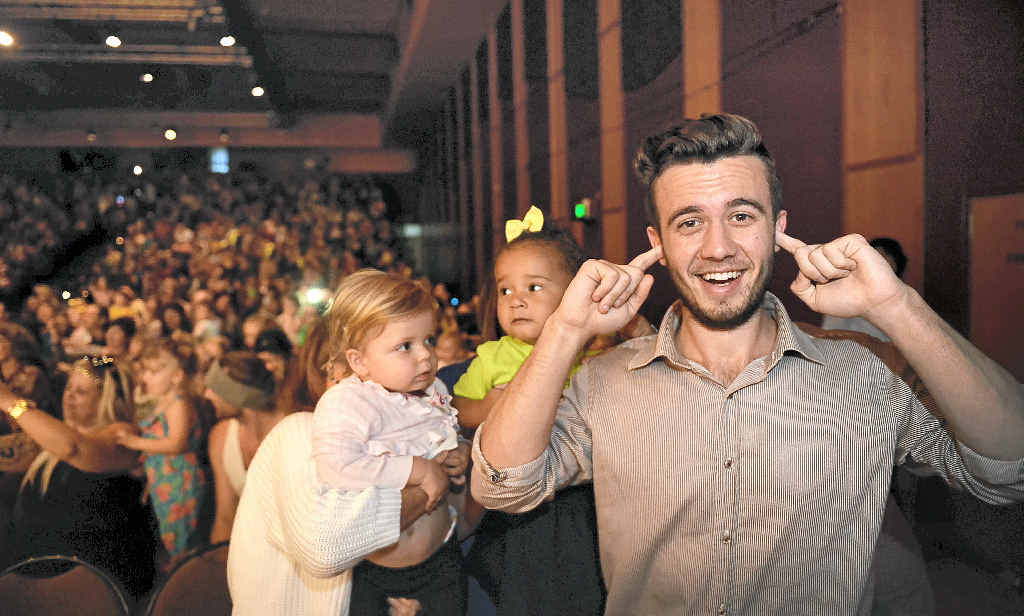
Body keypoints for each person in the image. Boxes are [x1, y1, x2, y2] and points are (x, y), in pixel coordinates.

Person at [470, 113, 1024, 615]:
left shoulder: (863, 375)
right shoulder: (603, 381)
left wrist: (895, 305)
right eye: (688, 222)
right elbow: (501, 487)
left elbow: (1008, 468)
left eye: (741, 215)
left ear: (777, 227)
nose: (717, 248)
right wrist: (565, 331)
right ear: (656, 242)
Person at [452, 207, 607, 615]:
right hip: (515, 508)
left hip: (585, 499)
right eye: (505, 290)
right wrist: (487, 406)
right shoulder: (493, 356)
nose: (516, 301)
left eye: (534, 288)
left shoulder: (592, 355)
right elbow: (457, 410)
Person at [311, 269, 470, 615]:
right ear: (359, 361)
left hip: (441, 559)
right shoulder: (348, 403)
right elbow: (338, 467)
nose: (426, 355)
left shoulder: (434, 391)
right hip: (376, 570)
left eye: (428, 340)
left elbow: (440, 436)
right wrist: (416, 469)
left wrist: (458, 451)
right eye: (405, 346)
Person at [1, 357, 157, 599]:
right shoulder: (61, 435)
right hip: (41, 577)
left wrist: (10, 402)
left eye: (81, 392)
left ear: (107, 399)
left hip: (93, 590)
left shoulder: (124, 436)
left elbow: (72, 448)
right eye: (69, 388)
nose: (69, 397)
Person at [115, 338, 211, 565]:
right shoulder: (163, 401)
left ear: (177, 376)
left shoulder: (179, 403)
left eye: (153, 372)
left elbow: (176, 444)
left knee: (180, 542)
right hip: (165, 479)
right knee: (169, 536)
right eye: (144, 371)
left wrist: (134, 442)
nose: (145, 378)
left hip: (179, 480)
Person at [204, 351, 286, 544]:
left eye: (216, 389)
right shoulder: (221, 437)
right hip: (250, 551)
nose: (206, 394)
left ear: (238, 395)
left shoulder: (292, 432)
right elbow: (225, 517)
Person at [821, 236, 908, 341]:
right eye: (877, 258)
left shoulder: (903, 299)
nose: (880, 266)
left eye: (886, 258)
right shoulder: (845, 294)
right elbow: (829, 334)